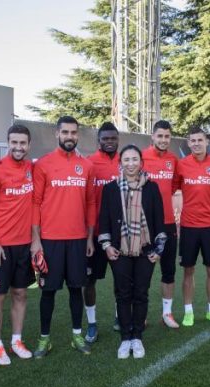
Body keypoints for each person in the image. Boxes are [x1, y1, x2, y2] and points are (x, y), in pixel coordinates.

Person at [31, 115, 96, 357]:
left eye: (73, 132)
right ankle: (44, 339)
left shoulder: (86, 166)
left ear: (77, 135)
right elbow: (35, 203)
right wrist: (36, 240)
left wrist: (89, 238)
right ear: (56, 134)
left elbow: (90, 203)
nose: (70, 136)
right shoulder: (43, 165)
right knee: (48, 291)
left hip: (78, 240)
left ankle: (77, 336)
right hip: (50, 240)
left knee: (75, 289)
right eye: (65, 132)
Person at [98, 144, 167, 358]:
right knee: (123, 293)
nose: (131, 164)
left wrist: (159, 249)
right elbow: (105, 221)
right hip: (119, 251)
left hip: (146, 251)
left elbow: (159, 220)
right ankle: (125, 338)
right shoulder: (110, 189)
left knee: (141, 293)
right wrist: (107, 246)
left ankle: (137, 337)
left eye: (134, 159)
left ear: (141, 162)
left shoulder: (152, 188)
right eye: (126, 160)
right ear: (120, 164)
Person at [0, 124, 37, 365]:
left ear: (28, 145)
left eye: (23, 143)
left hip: (24, 246)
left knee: (21, 294)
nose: (18, 147)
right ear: (8, 143)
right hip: (0, 247)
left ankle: (16, 340)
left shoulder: (33, 169)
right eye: (14, 142)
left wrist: (35, 241)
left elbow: (36, 204)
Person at [173, 127, 210, 327]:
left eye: (199, 140)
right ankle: (188, 312)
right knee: (188, 270)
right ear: (188, 142)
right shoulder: (182, 165)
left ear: (207, 142)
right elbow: (172, 188)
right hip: (188, 227)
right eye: (192, 140)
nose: (196, 144)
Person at [85, 122, 120, 342]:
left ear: (118, 139)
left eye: (113, 138)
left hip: (119, 235)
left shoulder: (125, 161)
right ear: (99, 140)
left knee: (122, 278)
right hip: (94, 235)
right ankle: (91, 323)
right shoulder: (89, 163)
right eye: (105, 138)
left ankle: (120, 317)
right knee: (89, 282)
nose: (109, 142)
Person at [142, 120, 180, 328]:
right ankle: (142, 313)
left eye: (167, 136)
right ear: (152, 137)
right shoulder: (141, 157)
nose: (163, 140)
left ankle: (167, 313)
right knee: (144, 272)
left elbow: (173, 187)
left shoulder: (173, 160)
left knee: (168, 271)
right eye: (160, 136)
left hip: (167, 224)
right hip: (146, 226)